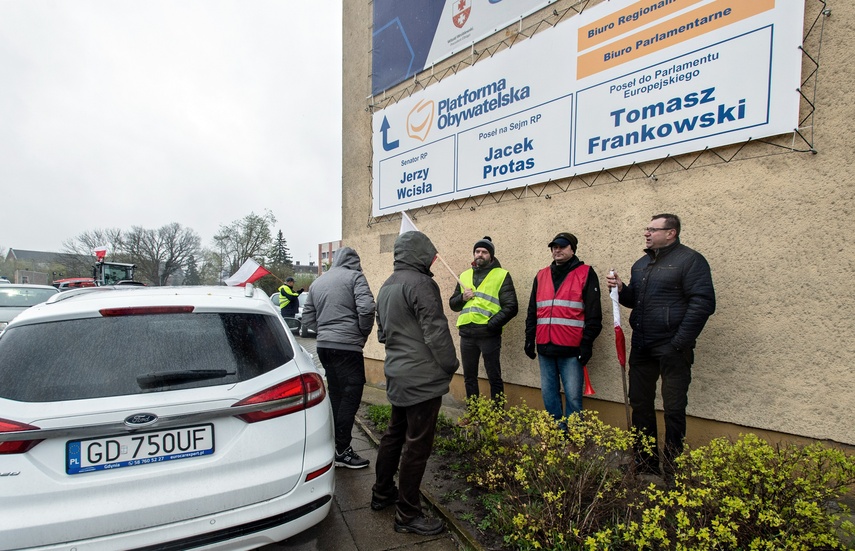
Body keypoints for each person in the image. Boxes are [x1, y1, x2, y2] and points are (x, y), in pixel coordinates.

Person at [606, 214, 715, 478]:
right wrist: (622, 288)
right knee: (640, 405)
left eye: (653, 229)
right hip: (642, 346)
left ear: (671, 233)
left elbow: (703, 304)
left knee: (674, 409)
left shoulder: (690, 261)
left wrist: (679, 342)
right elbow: (636, 302)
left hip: (672, 348)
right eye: (647, 228)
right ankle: (645, 464)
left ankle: (673, 468)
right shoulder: (641, 264)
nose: (647, 233)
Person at [372, 231, 459, 536]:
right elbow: (436, 330)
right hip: (422, 379)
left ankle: (382, 493)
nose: (434, 259)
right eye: (430, 253)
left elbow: (382, 334)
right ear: (421, 253)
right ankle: (407, 515)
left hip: (397, 373)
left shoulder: (387, 285)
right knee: (417, 445)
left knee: (393, 436)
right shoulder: (422, 284)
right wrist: (451, 364)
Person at [301, 247, 375, 469]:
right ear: (355, 262)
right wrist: (361, 334)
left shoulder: (318, 282)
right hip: (347, 348)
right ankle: (342, 451)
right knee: (350, 398)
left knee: (336, 395)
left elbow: (307, 318)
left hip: (324, 348)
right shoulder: (355, 277)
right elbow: (368, 308)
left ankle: (333, 445)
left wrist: (324, 332)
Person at [524, 232, 602, 426]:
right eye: (554, 247)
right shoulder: (541, 275)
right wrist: (529, 339)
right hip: (545, 346)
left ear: (572, 249)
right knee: (549, 394)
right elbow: (533, 310)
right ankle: (556, 433)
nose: (557, 250)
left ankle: (574, 438)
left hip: (572, 349)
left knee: (573, 397)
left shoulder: (585, 273)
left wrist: (587, 344)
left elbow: (594, 314)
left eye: (562, 246)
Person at [448, 236, 518, 402]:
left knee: (494, 376)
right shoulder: (463, 275)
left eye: (484, 252)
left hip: (488, 334)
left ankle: (497, 414)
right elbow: (453, 304)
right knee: (469, 377)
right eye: (477, 251)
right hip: (467, 334)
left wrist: (491, 324)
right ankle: (473, 414)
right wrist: (462, 298)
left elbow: (512, 307)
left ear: (491, 256)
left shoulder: (501, 275)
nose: (480, 254)